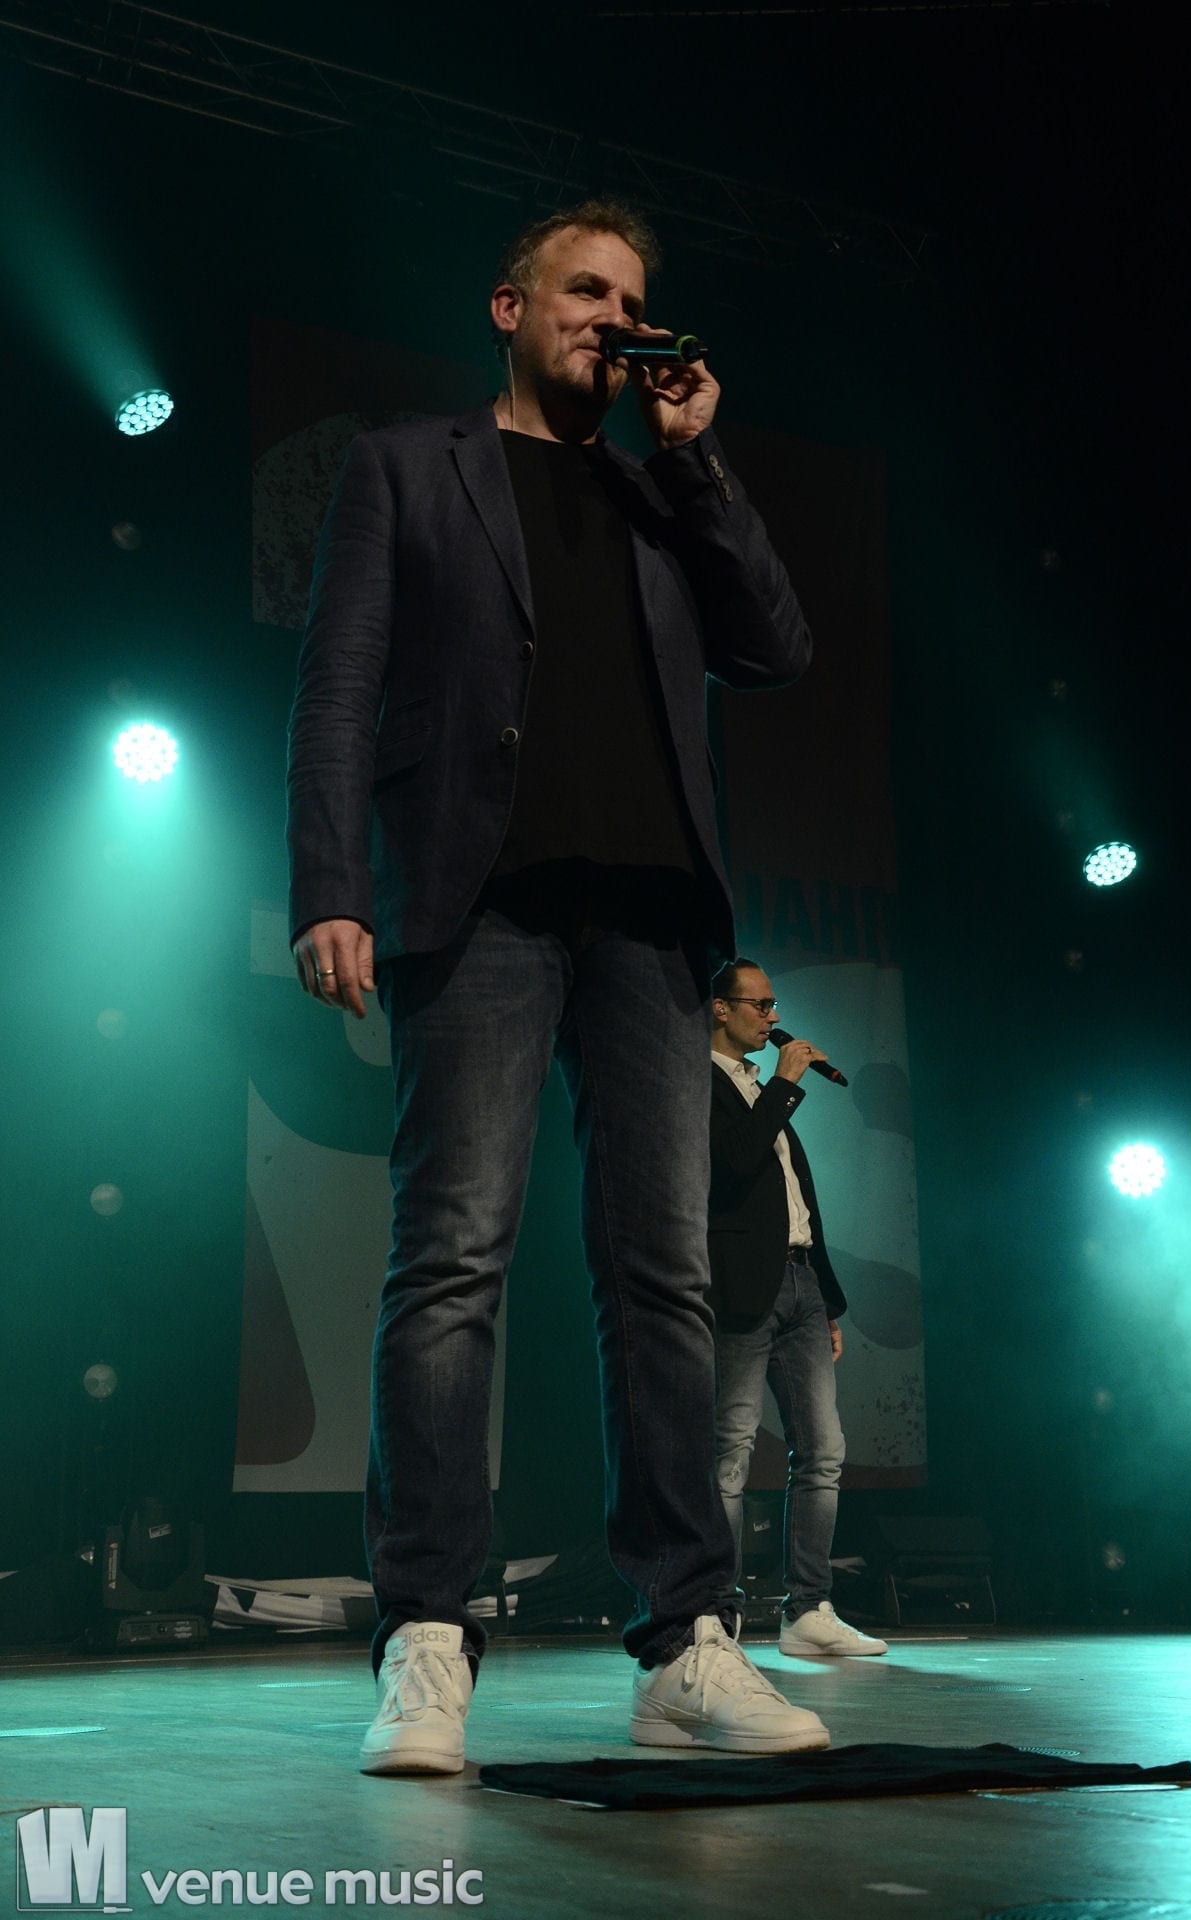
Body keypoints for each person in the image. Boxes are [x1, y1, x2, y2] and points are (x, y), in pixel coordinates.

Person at [287, 200, 831, 1771]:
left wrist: (699, 459)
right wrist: (331, 885)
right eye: (586, 290)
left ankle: (684, 1641)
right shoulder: (411, 466)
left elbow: (777, 648)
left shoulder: (662, 493)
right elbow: (337, 685)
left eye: (634, 299)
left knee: (663, 1277)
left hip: (652, 925)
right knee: (452, 1260)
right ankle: (426, 1634)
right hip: (483, 905)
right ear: (510, 307)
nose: (615, 316)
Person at [709, 959, 888, 1657]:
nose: (773, 1017)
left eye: (774, 1004)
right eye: (760, 1004)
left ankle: (807, 1610)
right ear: (720, 1008)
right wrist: (784, 1083)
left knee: (823, 1449)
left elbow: (796, 1204)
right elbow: (731, 1166)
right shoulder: (698, 1084)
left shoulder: (760, 1089)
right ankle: (715, 1610)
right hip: (739, 1289)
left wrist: (826, 1301)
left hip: (801, 1284)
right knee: (730, 1450)